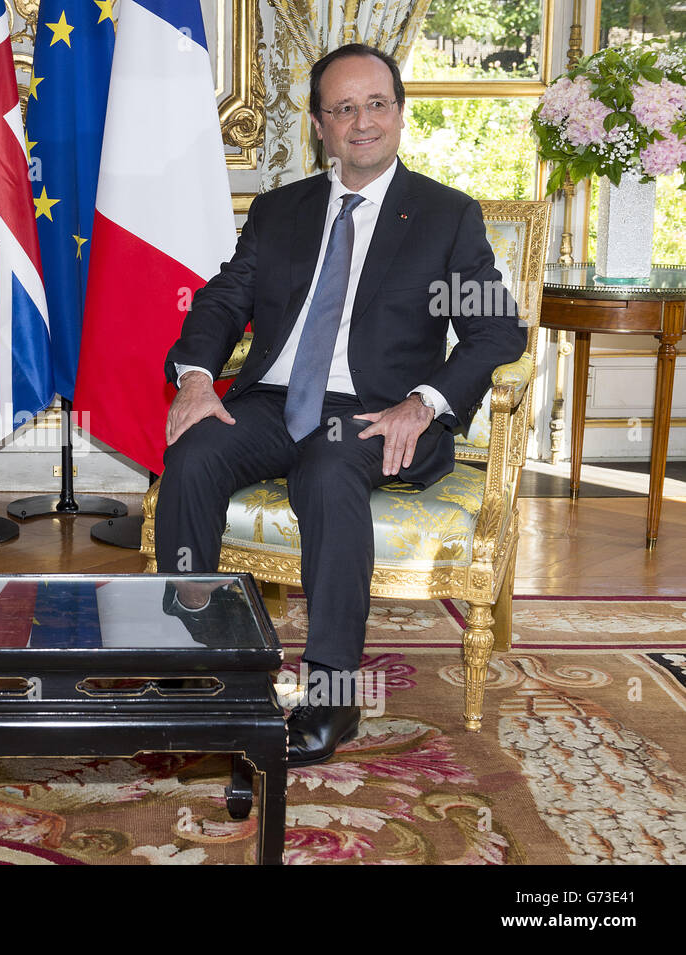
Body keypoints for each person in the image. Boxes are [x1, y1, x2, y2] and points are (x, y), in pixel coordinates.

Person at [156, 44, 526, 765]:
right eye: (344, 108)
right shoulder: (280, 209)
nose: (364, 122)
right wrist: (197, 376)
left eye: (377, 104)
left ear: (399, 113)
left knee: (326, 470)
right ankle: (197, 661)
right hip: (270, 399)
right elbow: (224, 299)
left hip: (379, 411)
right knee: (193, 451)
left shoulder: (447, 215)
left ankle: (331, 695)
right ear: (320, 126)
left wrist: (425, 402)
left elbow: (496, 328)